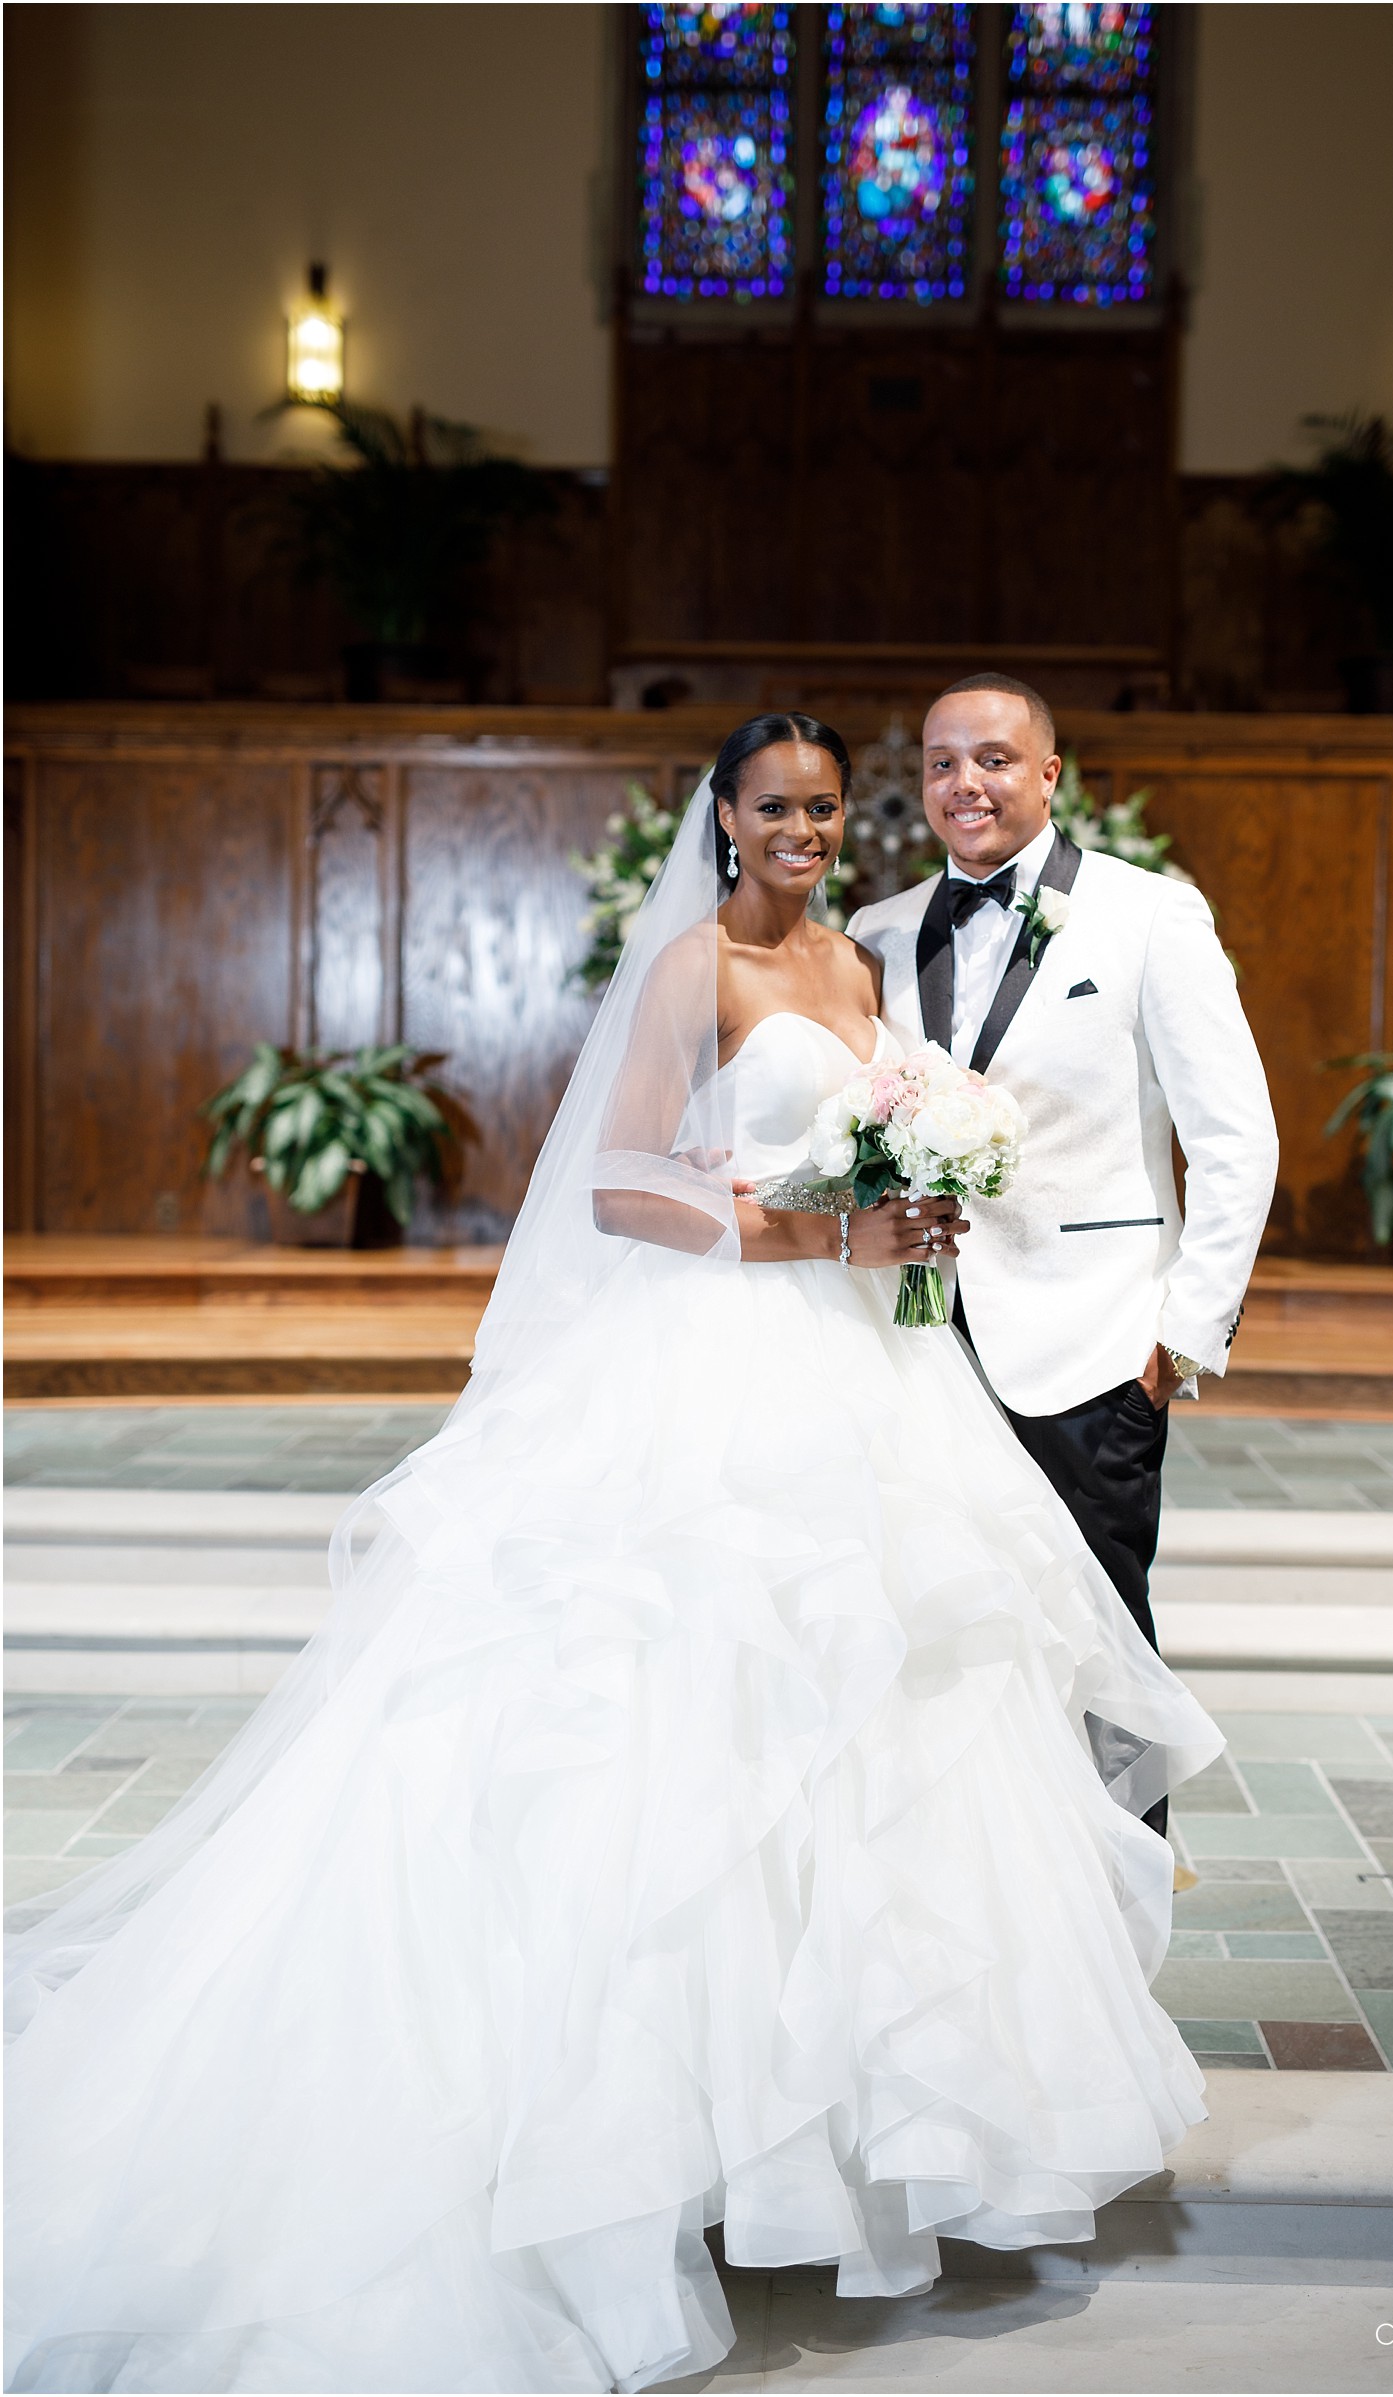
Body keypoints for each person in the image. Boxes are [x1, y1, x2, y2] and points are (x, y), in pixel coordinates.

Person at [6, 715, 1224, 2397]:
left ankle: (818, 2136)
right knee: (666, 1739)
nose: (804, 828)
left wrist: (911, 1213)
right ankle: (636, 2141)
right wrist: (820, 1226)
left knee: (867, 1739)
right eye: (775, 806)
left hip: (865, 1371)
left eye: (824, 807)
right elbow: (624, 1190)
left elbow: (867, 1159)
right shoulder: (692, 972)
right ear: (724, 818)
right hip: (708, 1376)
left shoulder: (868, 974)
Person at [848, 676, 1279, 1849]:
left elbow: (1235, 1137)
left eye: (991, 759)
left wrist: (1181, 1339)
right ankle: (975, 1888)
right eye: (940, 763)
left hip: (1094, 1343)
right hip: (916, 1342)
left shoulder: (1150, 915)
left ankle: (1127, 1891)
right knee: (940, 1627)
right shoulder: (876, 935)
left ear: (1048, 773)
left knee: (1101, 1638)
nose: (963, 785)